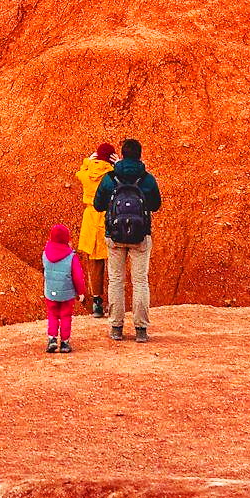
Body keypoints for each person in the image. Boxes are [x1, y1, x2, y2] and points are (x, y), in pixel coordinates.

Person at [93, 137, 161, 342]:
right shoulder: (147, 178)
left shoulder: (110, 178)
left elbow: (98, 205)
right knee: (140, 281)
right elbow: (156, 205)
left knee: (116, 281)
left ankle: (116, 327)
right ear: (140, 155)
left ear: (121, 155)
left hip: (114, 236)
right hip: (140, 236)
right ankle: (141, 329)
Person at [73, 142, 116, 317]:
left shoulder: (87, 173)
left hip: (91, 219)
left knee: (95, 265)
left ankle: (97, 303)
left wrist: (87, 162)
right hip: (109, 218)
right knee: (114, 262)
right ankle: (114, 303)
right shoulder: (112, 174)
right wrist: (118, 163)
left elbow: (79, 173)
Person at [41, 223, 87, 353]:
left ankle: (52, 339)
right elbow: (78, 276)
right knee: (66, 316)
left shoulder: (45, 254)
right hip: (67, 294)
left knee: (52, 315)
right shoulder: (71, 257)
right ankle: (65, 343)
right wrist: (81, 292)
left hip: (50, 291)